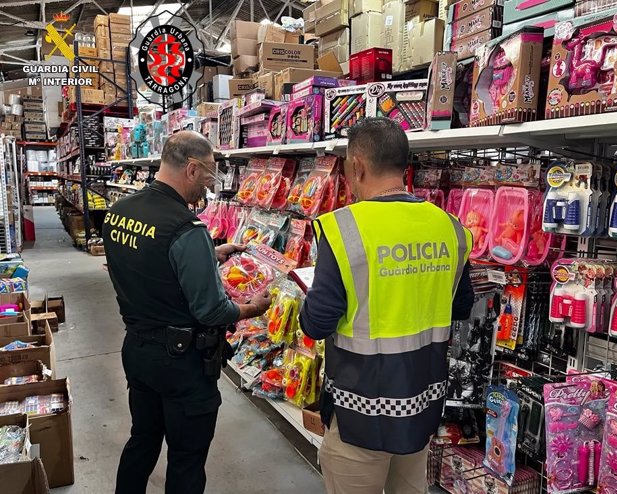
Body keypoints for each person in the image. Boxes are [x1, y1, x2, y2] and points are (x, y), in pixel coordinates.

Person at [299, 117, 474, 494]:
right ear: (404, 166)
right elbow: (460, 306)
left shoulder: (343, 229)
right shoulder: (451, 228)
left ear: (357, 166)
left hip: (358, 413)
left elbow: (317, 323)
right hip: (422, 407)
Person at [103, 131, 272, 494]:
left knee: (142, 440)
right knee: (186, 458)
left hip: (138, 351)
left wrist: (210, 254)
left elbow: (151, 263)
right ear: (192, 169)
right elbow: (211, 310)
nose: (209, 188)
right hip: (182, 365)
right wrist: (250, 308)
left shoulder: (119, 212)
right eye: (210, 176)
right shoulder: (187, 228)